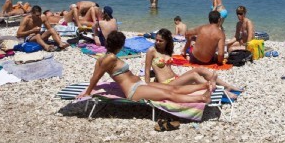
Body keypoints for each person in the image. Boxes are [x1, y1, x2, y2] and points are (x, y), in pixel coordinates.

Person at [78, 30, 213, 103]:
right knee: (169, 94)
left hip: (140, 83)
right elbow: (96, 76)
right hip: (133, 91)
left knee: (173, 88)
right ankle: (202, 98)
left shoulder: (106, 58)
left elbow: (95, 75)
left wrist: (92, 87)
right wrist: (88, 92)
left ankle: (204, 86)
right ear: (120, 45)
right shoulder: (110, 58)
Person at [145, 28, 241, 98]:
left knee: (200, 69)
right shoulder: (152, 51)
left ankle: (228, 86)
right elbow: (147, 70)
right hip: (166, 85)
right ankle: (222, 92)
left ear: (166, 41)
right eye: (156, 40)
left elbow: (166, 70)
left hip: (174, 79)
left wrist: (179, 77)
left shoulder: (167, 51)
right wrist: (147, 85)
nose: (157, 42)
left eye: (160, 41)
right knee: (194, 75)